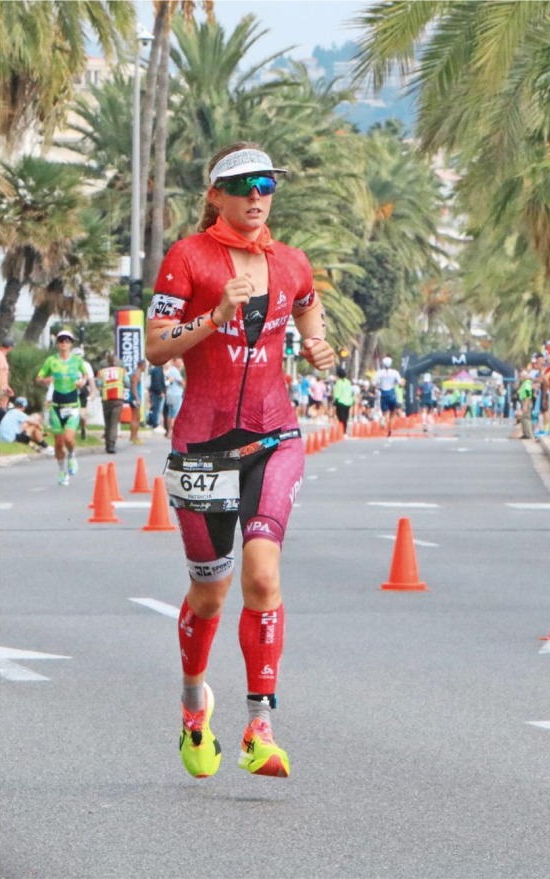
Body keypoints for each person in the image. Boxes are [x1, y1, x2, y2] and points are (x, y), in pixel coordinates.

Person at [145, 142, 335, 781]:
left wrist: (316, 345)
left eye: (267, 185)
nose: (258, 196)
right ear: (215, 194)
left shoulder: (291, 262)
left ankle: (260, 725)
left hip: (275, 437)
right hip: (202, 446)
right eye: (244, 184)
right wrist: (215, 315)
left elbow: (307, 303)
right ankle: (195, 704)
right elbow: (153, 347)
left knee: (261, 576)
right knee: (209, 592)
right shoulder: (188, 259)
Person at [35, 328, 86, 485]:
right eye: (61, 340)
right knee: (58, 442)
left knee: (68, 438)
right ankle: (62, 472)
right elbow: (39, 377)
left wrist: (82, 382)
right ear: (57, 343)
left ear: (71, 344)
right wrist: (44, 381)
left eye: (67, 340)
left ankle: (71, 455)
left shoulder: (77, 361)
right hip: (56, 405)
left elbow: (85, 375)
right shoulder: (51, 360)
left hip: (72, 405)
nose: (63, 343)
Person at [96, 352, 126, 454]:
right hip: (117, 398)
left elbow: (99, 384)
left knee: (107, 422)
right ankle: (112, 445)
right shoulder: (121, 371)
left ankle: (107, 443)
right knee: (114, 423)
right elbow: (127, 382)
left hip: (106, 399)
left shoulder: (101, 372)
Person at [374, 356, 403, 436]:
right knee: (392, 413)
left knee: (384, 413)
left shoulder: (379, 373)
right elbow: (400, 383)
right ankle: (390, 430)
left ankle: (383, 420)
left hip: (383, 394)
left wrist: (379, 388)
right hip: (392, 394)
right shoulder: (395, 372)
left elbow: (374, 383)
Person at [73, 346, 96, 441]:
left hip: (82, 390)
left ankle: (83, 429)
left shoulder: (86, 365)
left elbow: (91, 380)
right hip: (72, 389)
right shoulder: (69, 365)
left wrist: (92, 392)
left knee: (82, 415)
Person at [164, 357, 185, 438]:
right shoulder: (175, 371)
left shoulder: (171, 370)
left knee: (170, 413)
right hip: (175, 394)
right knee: (175, 414)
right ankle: (172, 431)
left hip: (170, 394)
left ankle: (169, 431)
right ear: (174, 362)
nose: (181, 364)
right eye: (179, 362)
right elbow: (182, 382)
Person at [127, 359, 146, 444]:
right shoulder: (136, 374)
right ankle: (134, 437)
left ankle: (133, 436)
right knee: (136, 418)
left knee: (137, 417)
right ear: (141, 365)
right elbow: (134, 387)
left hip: (136, 397)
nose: (145, 368)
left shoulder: (138, 373)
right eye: (145, 366)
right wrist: (137, 399)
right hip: (135, 398)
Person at [332, 366, 354, 435]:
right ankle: (344, 431)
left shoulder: (338, 382)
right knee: (345, 417)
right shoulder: (348, 382)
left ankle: (342, 431)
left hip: (341, 402)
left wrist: (335, 400)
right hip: (348, 401)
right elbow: (351, 392)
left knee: (340, 417)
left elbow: (337, 392)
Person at [147, 362, 166, 430]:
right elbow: (157, 382)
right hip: (157, 393)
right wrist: (161, 391)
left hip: (155, 392)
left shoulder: (156, 370)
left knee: (156, 408)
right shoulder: (158, 370)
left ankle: (154, 422)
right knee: (157, 409)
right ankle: (156, 424)